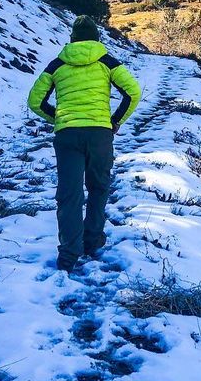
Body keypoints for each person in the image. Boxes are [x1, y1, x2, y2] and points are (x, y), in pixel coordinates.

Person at [27, 15, 142, 271]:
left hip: (67, 135)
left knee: (70, 195)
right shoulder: (107, 61)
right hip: (99, 133)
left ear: (72, 38)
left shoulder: (57, 64)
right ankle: (92, 241)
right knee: (98, 188)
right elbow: (133, 92)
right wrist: (114, 121)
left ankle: (68, 254)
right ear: (96, 38)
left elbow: (35, 101)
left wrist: (57, 118)